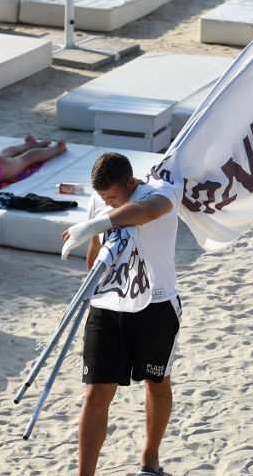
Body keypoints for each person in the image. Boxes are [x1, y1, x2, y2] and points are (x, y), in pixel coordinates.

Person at [60, 152, 181, 476]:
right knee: (96, 392)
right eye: (102, 200)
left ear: (130, 183)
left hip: (155, 305)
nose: (107, 204)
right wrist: (93, 238)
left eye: (112, 197)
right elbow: (93, 262)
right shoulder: (99, 203)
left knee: (157, 383)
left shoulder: (160, 191)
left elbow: (145, 212)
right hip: (107, 307)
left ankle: (149, 461)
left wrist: (98, 223)